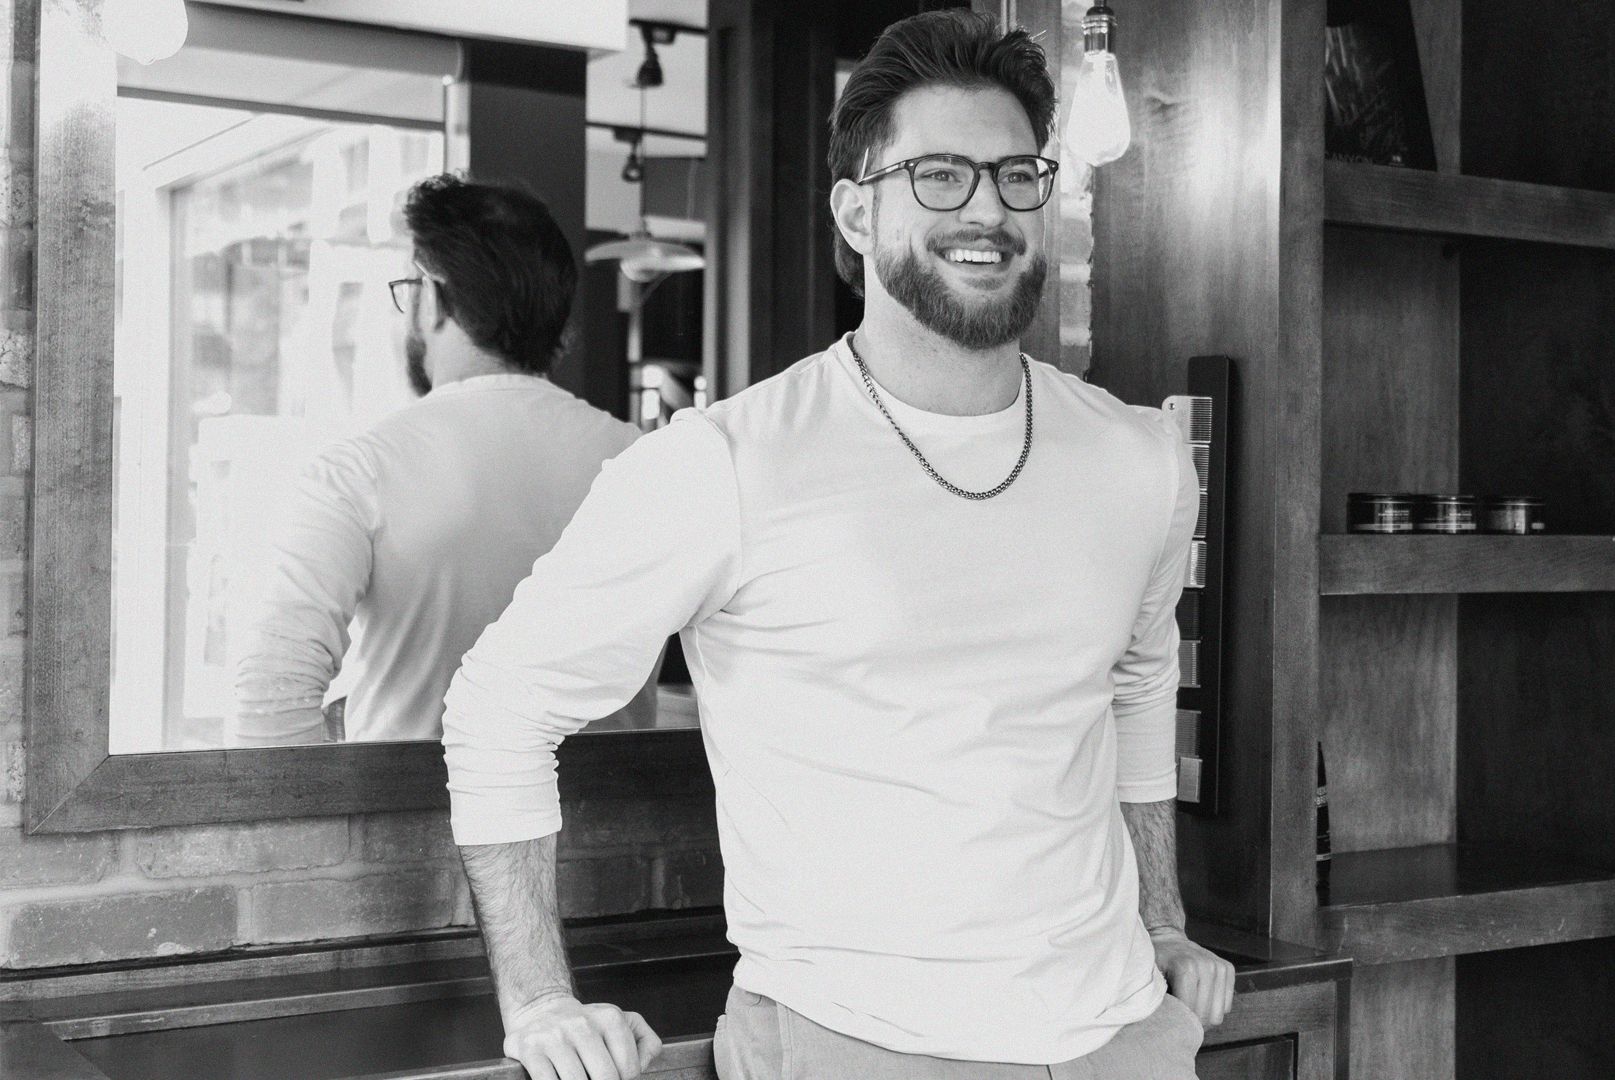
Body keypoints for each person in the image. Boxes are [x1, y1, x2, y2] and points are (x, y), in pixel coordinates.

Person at [441, 11, 1231, 1080]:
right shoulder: (724, 465)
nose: (988, 210)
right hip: (853, 1045)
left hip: (1124, 1040)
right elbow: (500, 706)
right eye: (941, 176)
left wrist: (1167, 921)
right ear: (856, 212)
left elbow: (1137, 686)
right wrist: (538, 1001)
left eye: (1015, 175)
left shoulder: (1141, 459)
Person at [229, 175, 642, 746]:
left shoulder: (363, 469)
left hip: (408, 825)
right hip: (614, 824)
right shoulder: (642, 462)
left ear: (435, 296)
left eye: (409, 288)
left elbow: (269, 699)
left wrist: (329, 830)